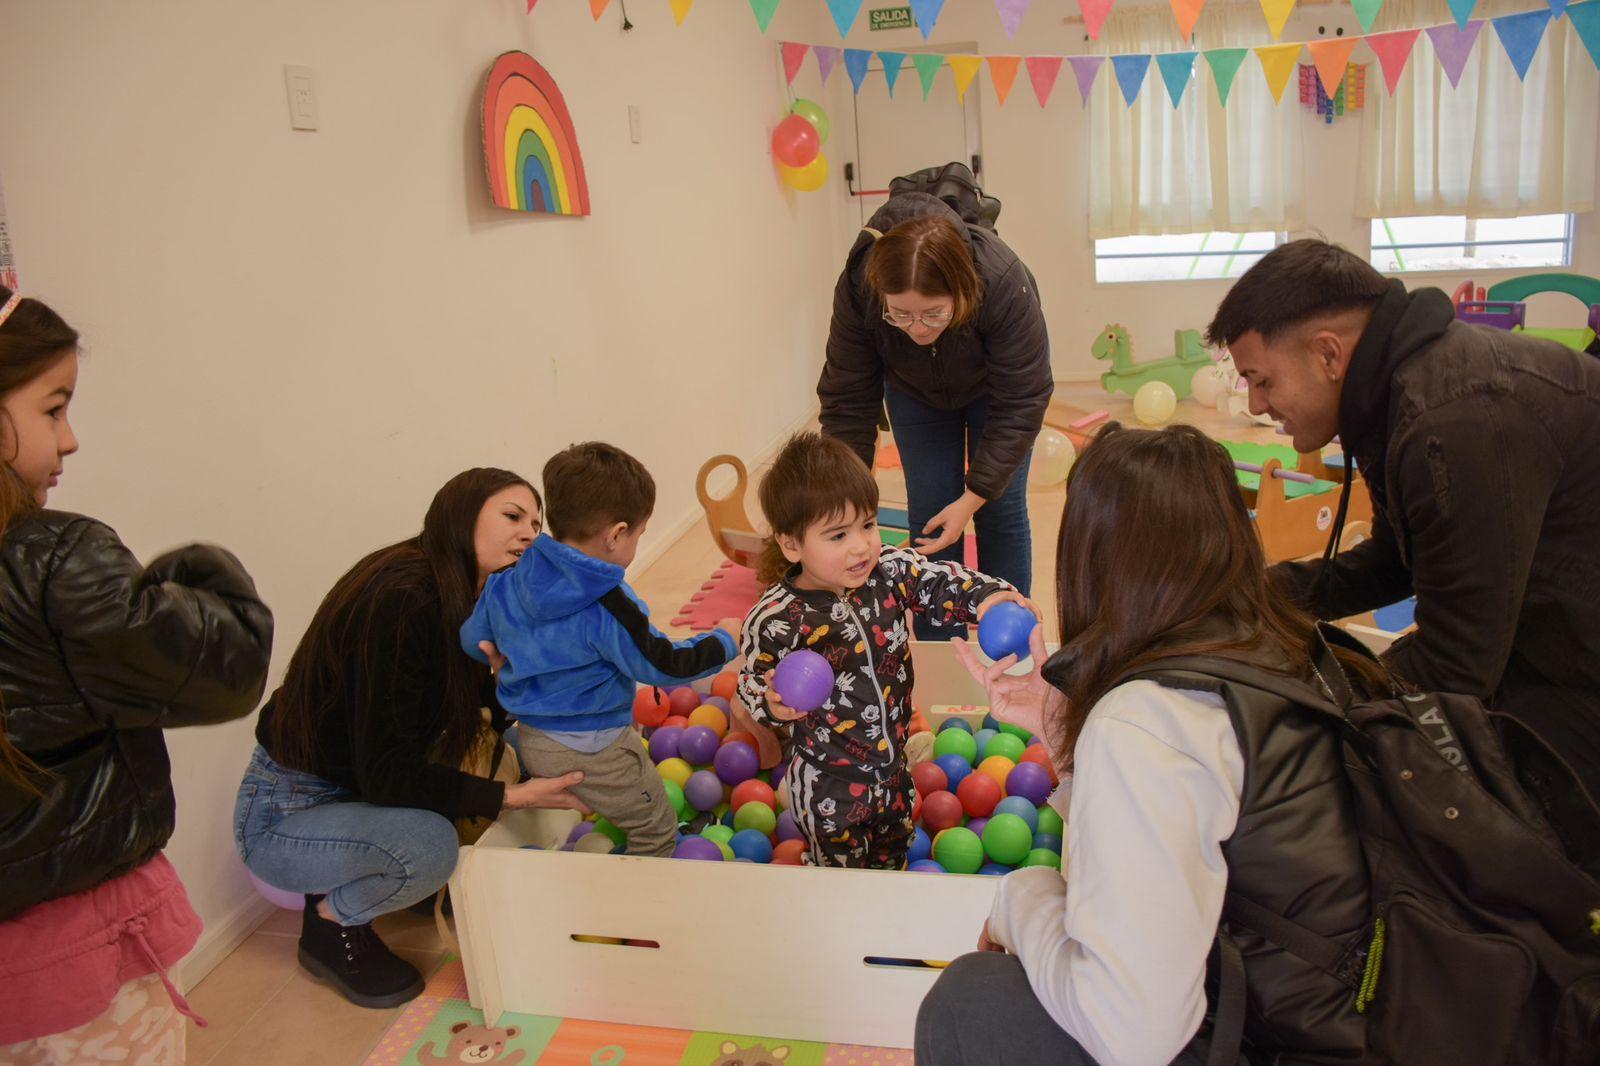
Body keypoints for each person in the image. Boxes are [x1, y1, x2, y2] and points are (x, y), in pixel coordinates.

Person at [915, 423, 1389, 1065]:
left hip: (1284, 1039)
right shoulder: (1290, 647)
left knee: (971, 1002)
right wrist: (1063, 735)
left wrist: (1021, 900)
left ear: (1093, 558)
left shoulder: (1143, 718)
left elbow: (1135, 1035)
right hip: (1364, 1015)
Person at [1206, 238, 1600, 863]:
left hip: (1573, 650)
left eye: (1261, 379)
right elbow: (1397, 559)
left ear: (1328, 353)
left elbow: (1458, 665)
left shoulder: (1453, 418)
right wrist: (1262, 593)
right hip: (1539, 623)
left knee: (1552, 849)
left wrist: (1307, 709)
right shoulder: (1396, 393)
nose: (1256, 404)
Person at [0, 288, 274, 1061]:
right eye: (53, 408)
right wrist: (196, 571)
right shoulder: (55, 559)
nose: (71, 437)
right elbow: (229, 669)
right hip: (75, 957)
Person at [237, 467, 588, 1010]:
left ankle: (379, 865)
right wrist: (508, 798)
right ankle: (330, 922)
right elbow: (385, 768)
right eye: (513, 516)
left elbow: (473, 713)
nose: (528, 534)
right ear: (460, 513)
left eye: (535, 524)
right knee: (431, 848)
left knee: (511, 755)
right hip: (287, 814)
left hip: (357, 787)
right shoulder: (403, 596)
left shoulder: (465, 591)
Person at [738, 432, 1035, 868]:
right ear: (791, 544)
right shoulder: (778, 617)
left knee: (893, 854)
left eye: (868, 525)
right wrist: (770, 702)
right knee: (840, 874)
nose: (861, 546)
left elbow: (937, 581)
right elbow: (750, 679)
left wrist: (986, 597)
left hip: (892, 769)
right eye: (838, 535)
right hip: (829, 785)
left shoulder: (888, 573)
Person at [461, 442, 739, 859]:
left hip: (534, 741)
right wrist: (724, 639)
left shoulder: (507, 578)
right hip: (597, 747)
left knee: (607, 795)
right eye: (639, 535)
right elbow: (664, 664)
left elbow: (472, 640)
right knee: (657, 827)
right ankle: (640, 916)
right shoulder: (608, 603)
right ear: (616, 535)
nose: (636, 544)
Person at [818, 192, 1052, 639]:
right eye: (900, 314)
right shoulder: (859, 288)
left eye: (934, 313)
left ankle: (1010, 637)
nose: (919, 329)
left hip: (995, 392)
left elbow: (1023, 399)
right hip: (914, 391)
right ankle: (941, 647)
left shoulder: (1001, 279)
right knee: (929, 516)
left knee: (998, 509)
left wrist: (973, 497)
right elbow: (848, 397)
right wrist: (845, 494)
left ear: (962, 292)